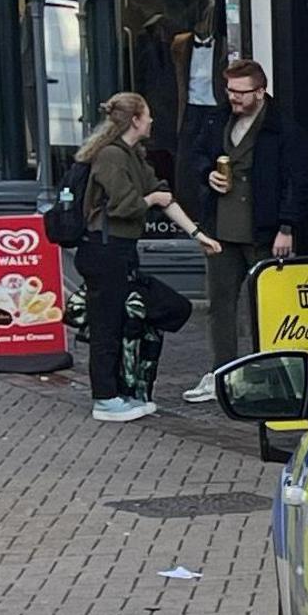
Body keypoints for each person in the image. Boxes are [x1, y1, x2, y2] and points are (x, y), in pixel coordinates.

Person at [176, 59, 308, 396]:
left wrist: (287, 226)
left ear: (260, 92)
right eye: (229, 90)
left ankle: (261, 374)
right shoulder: (217, 120)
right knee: (220, 303)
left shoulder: (282, 129)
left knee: (263, 305)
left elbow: (297, 180)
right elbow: (196, 156)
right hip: (220, 227)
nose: (233, 98)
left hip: (262, 228)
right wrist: (207, 174)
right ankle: (221, 372)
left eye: (240, 92)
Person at [76, 91, 196, 424]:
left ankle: (122, 390)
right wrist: (153, 197)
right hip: (103, 249)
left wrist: (197, 235)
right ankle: (106, 397)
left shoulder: (133, 154)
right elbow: (125, 205)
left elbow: (162, 194)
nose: (153, 120)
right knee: (107, 324)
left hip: (120, 249)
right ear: (135, 120)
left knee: (152, 312)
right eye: (148, 114)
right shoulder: (112, 157)